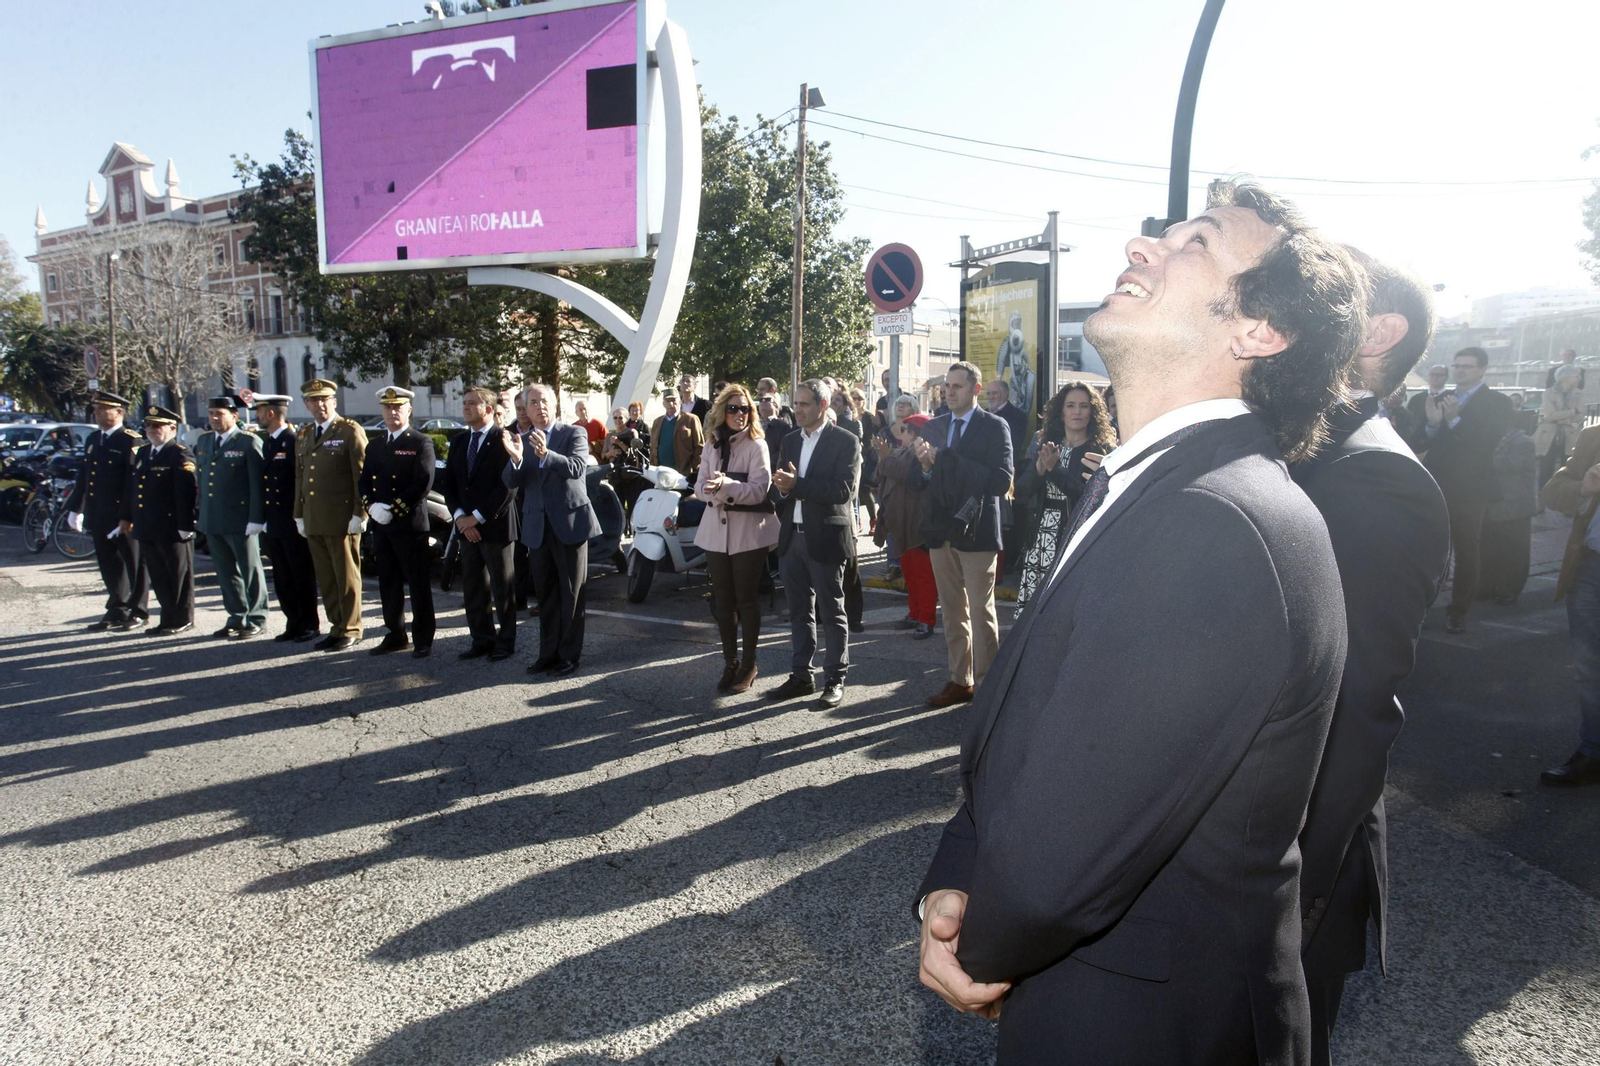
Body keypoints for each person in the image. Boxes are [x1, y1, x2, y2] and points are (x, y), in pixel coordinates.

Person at [915, 182, 1363, 1064]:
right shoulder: (1161, 485)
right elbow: (1030, 731)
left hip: (1143, 1026)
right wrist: (954, 881)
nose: (1141, 246)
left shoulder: (1215, 520)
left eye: (1195, 243)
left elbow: (1072, 837)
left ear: (1259, 333)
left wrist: (981, 941)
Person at [1291, 250, 1451, 1066]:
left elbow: (1353, 714)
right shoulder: (1296, 447)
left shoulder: (1376, 478)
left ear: (1378, 333)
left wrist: (1286, 898)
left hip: (1281, 889)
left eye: (1326, 292)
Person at [907, 361, 1014, 708]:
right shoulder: (935, 426)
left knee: (982, 611)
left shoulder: (994, 426)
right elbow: (918, 481)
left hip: (978, 531)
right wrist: (925, 468)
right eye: (947, 386)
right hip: (941, 531)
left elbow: (1001, 480)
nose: (949, 392)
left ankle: (988, 689)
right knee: (952, 611)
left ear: (976, 390)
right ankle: (960, 680)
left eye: (958, 386)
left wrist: (949, 461)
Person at [766, 378, 861, 709]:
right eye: (796, 403)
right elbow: (781, 486)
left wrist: (798, 485)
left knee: (832, 612)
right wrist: (781, 488)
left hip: (827, 538)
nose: (798, 410)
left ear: (823, 406)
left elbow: (842, 492)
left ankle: (835, 679)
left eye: (805, 404)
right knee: (798, 612)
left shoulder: (846, 441)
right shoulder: (791, 440)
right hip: (792, 538)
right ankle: (801, 675)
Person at [503, 383, 599, 677]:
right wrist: (517, 459)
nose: (539, 407)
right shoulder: (521, 439)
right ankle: (548, 654)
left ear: (554, 405)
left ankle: (569, 656)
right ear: (526, 410)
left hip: (569, 524)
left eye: (544, 401)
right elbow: (510, 481)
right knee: (545, 596)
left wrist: (547, 454)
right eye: (533, 403)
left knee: (571, 594)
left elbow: (576, 468)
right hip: (537, 528)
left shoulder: (573, 433)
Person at [1422, 347, 1514, 634]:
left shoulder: (1497, 402)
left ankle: (1458, 611)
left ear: (1482, 369)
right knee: (1432, 550)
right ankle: (1422, 606)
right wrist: (1432, 426)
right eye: (1457, 365)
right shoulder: (1438, 399)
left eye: (1468, 366)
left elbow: (1485, 445)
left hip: (1471, 491)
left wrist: (1454, 421)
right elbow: (1420, 441)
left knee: (1466, 551)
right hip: (1437, 485)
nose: (1460, 370)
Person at [695, 384, 778, 694]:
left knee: (747, 600)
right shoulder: (711, 444)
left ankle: (749, 663)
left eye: (745, 409)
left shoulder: (758, 446)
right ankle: (730, 661)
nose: (739, 414)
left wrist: (725, 486)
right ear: (722, 412)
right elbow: (699, 486)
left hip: (749, 534)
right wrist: (713, 490)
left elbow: (759, 490)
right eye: (733, 409)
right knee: (723, 601)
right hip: (716, 533)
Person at [1014, 381, 1117, 607]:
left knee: (1064, 608)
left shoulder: (1100, 452)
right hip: (1040, 537)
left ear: (1093, 411)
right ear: (1061, 412)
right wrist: (1039, 470)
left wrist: (1055, 470)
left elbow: (1089, 499)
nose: (1077, 412)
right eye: (1071, 406)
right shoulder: (1047, 446)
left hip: (1075, 537)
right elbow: (1020, 494)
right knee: (1033, 612)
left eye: (1083, 406)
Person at [1539, 424, 1600, 787]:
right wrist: (1584, 488)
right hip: (1591, 566)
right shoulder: (1594, 438)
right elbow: (1552, 491)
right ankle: (1592, 752)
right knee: (1590, 666)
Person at [359, 386, 437, 658]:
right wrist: (371, 506)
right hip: (382, 525)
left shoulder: (420, 442)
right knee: (388, 582)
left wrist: (393, 508)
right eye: (387, 407)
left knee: (417, 584)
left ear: (408, 410)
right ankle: (395, 634)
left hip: (409, 525)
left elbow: (422, 483)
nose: (392, 412)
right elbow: (364, 481)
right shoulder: (376, 445)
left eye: (398, 407)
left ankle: (423, 638)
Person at [443, 386, 519, 662]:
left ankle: (505, 641)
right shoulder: (460, 441)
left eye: (471, 403)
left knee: (502, 587)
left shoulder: (504, 439)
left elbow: (508, 487)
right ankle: (481, 639)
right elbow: (449, 484)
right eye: (463, 402)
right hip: (466, 527)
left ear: (488, 409)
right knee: (473, 586)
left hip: (496, 526)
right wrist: (461, 517)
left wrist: (477, 517)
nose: (465, 407)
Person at [294, 378, 368, 652]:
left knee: (346, 577)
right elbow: (300, 477)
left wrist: (360, 513)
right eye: (313, 400)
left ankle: (351, 627)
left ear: (334, 402)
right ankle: (336, 626)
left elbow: (361, 474)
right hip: (315, 518)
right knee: (326, 577)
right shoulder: (304, 434)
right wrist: (299, 514)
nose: (319, 405)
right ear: (307, 404)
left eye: (324, 399)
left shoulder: (349, 431)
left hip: (341, 517)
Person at [65, 390, 149, 631]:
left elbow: (133, 483)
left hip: (121, 514)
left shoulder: (130, 440)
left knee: (134, 563)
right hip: (99, 512)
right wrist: (76, 507)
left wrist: (128, 515)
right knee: (109, 563)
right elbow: (85, 476)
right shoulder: (94, 439)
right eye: (96, 408)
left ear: (119, 412)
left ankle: (139, 609)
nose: (97, 413)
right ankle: (117, 608)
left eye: (103, 409)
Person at [194, 394, 268, 639]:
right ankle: (236, 616)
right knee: (225, 572)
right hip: (213, 519)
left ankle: (257, 617)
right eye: (211, 413)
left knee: (250, 570)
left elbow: (257, 484)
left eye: (220, 414)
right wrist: (201, 515)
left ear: (234, 416)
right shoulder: (204, 441)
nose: (214, 418)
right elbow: (203, 482)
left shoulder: (248, 442)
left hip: (241, 519)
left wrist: (256, 518)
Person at [121, 404, 198, 635]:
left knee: (178, 575)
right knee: (159, 576)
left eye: (158, 426)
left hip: (171, 526)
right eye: (149, 426)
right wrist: (127, 516)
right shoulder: (144, 453)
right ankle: (167, 618)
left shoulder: (180, 453)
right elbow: (134, 488)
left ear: (172, 428)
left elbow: (187, 492)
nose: (152, 430)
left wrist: (186, 525)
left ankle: (182, 618)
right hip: (147, 526)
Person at [251, 394, 321, 643]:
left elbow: (299, 482)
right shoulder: (270, 442)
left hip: (292, 521)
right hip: (275, 521)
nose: (256, 417)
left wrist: (297, 516)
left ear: (271, 414)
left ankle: (309, 624)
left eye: (259, 412)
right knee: (282, 575)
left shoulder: (293, 441)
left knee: (300, 574)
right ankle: (293, 622)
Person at [875, 413, 936, 638]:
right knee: (910, 574)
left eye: (904, 430)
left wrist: (885, 457)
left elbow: (904, 474)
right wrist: (885, 457)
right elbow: (883, 475)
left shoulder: (919, 453)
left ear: (914, 433)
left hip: (916, 526)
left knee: (923, 576)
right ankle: (915, 613)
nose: (900, 435)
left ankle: (927, 619)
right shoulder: (903, 451)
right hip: (902, 525)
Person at [1478, 414, 1538, 607]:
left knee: (1514, 551)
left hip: (1515, 506)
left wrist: (1478, 458)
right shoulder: (1491, 440)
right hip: (1494, 505)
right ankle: (1486, 587)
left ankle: (1509, 590)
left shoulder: (1525, 442)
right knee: (1490, 549)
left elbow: (1511, 464)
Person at [1536, 363, 1584, 489]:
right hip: (1549, 436)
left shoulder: (1578, 393)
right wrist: (1571, 413)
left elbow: (1581, 416)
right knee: (1546, 468)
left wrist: (1559, 418)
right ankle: (1542, 498)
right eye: (1577, 376)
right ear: (1566, 378)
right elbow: (1550, 415)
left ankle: (1561, 498)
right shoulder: (1548, 393)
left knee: (1566, 469)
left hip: (1569, 437)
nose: (1580, 379)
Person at [650, 391, 704, 477]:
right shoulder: (657, 422)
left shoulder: (690, 419)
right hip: (660, 472)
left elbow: (700, 446)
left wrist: (694, 467)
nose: (671, 404)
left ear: (680, 401)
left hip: (683, 473)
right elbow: (652, 446)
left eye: (673, 400)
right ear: (663, 403)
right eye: (667, 401)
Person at [1404, 363, 1449, 455]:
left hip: (1438, 448)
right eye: (1432, 374)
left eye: (1439, 375)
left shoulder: (1450, 398)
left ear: (1446, 378)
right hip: (1413, 446)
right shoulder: (1416, 399)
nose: (1435, 378)